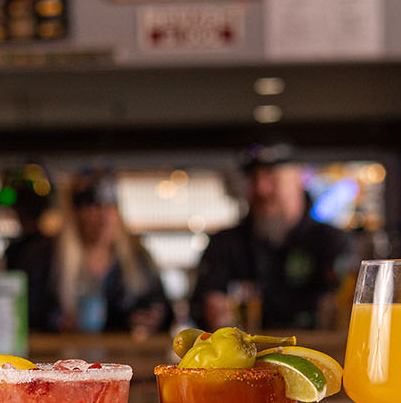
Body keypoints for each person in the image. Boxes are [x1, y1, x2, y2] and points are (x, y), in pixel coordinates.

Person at [190, 143, 353, 331]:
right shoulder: (225, 244)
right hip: (242, 350)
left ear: (299, 178)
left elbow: (343, 312)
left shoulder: (331, 241)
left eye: (271, 176)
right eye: (253, 178)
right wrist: (212, 312)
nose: (261, 189)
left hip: (314, 350)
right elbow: (198, 310)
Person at [28, 170, 172, 334]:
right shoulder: (44, 258)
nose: (105, 216)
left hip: (124, 349)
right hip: (63, 349)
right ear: (74, 213)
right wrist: (56, 321)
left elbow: (164, 312)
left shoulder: (139, 258)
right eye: (93, 207)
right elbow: (28, 317)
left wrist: (153, 318)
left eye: (111, 206)